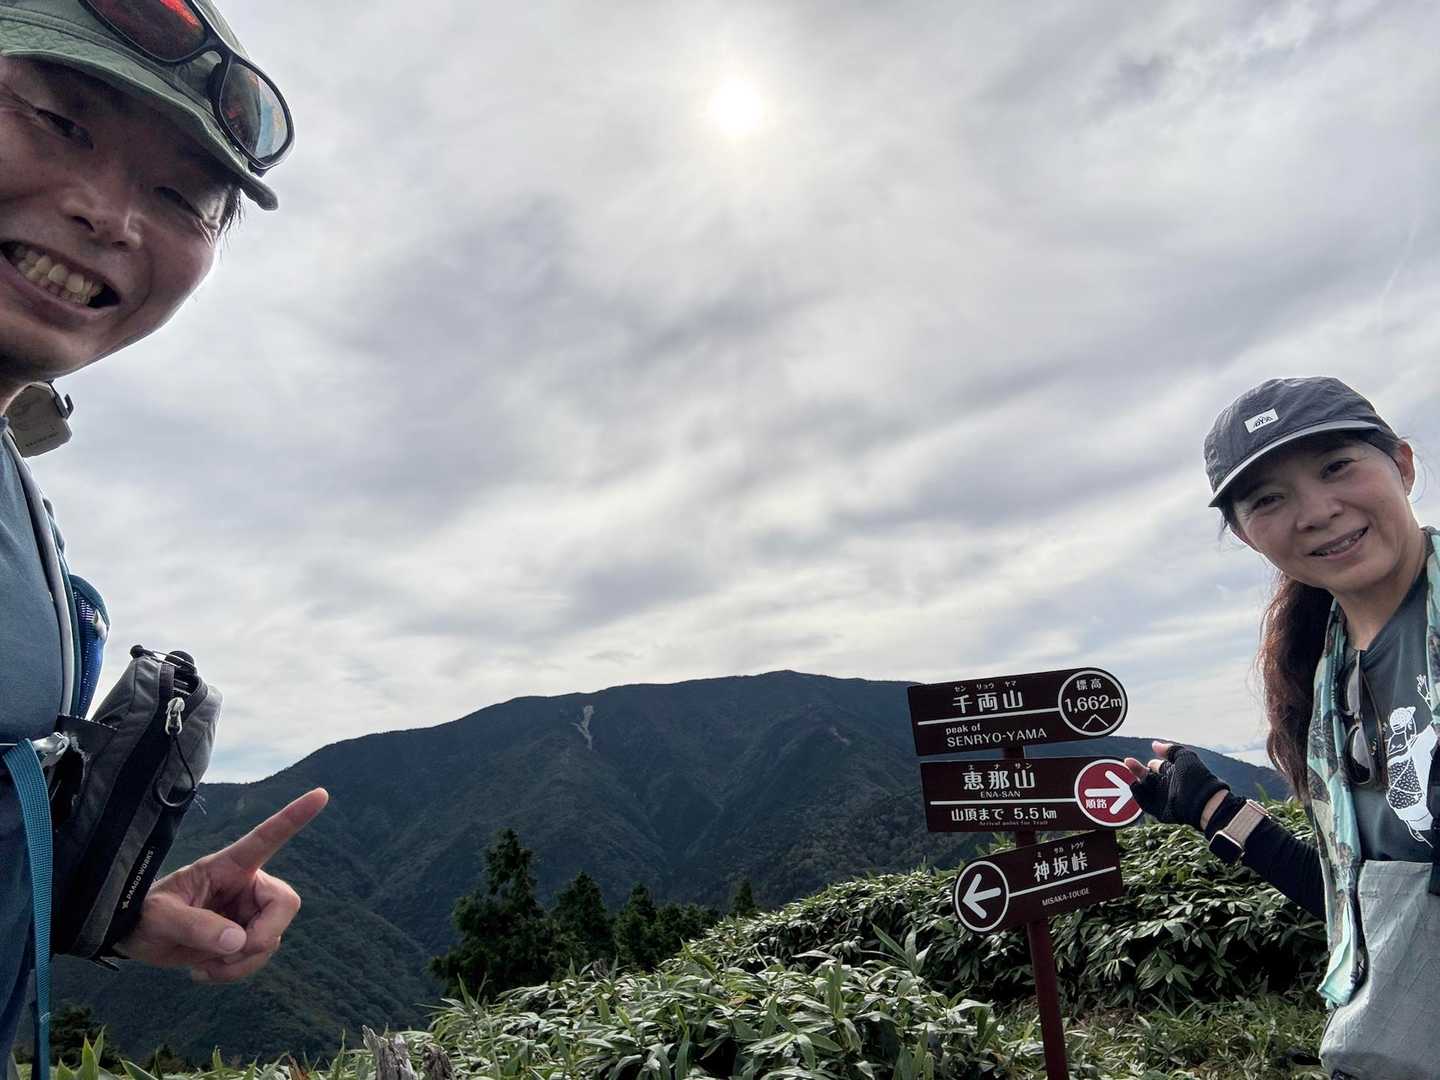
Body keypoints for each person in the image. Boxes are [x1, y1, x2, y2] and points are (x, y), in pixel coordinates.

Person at [0, 0, 327, 1067]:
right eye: (60, 122)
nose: (110, 216)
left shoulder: (19, 491)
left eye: (181, 197)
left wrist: (95, 903)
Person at [1123, 376, 1437, 1080]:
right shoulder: (1321, 677)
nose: (1317, 512)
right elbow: (1375, 916)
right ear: (1245, 533)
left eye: (1337, 466)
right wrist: (1211, 809)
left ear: (1403, 464)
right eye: (1269, 499)